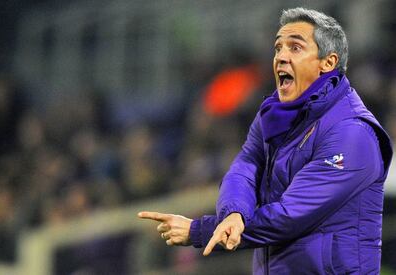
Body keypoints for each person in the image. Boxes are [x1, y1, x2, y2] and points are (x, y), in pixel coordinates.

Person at [138, 7, 393, 274]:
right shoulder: (275, 115)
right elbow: (245, 167)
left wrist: (198, 230)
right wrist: (233, 213)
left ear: (327, 63)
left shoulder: (352, 132)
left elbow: (290, 216)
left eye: (295, 48)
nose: (281, 57)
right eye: (278, 48)